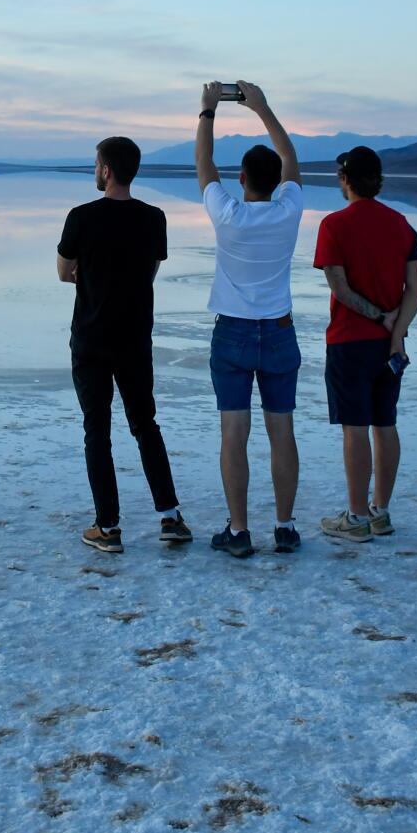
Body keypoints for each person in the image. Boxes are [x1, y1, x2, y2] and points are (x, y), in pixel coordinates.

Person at [58, 137, 187, 553]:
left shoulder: (81, 217)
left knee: (97, 430)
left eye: (96, 163)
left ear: (107, 170)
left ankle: (108, 528)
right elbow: (149, 270)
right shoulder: (154, 218)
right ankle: (169, 517)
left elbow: (64, 271)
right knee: (145, 423)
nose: (95, 170)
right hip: (134, 338)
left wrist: (89, 274)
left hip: (91, 338)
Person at [194, 80, 304, 558]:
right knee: (282, 431)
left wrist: (207, 110)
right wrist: (262, 108)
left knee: (233, 433)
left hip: (233, 333)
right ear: (275, 180)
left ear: (241, 179)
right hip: (279, 333)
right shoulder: (290, 211)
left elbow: (203, 166)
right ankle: (284, 526)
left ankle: (239, 531)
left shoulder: (229, 216)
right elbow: (291, 158)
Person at [313, 146, 417, 544]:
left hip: (349, 342)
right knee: (385, 423)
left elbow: (340, 289)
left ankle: (357, 517)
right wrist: (396, 331)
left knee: (355, 427)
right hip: (388, 347)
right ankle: (381, 512)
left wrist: (380, 317)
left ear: (344, 179)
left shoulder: (334, 225)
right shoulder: (401, 224)